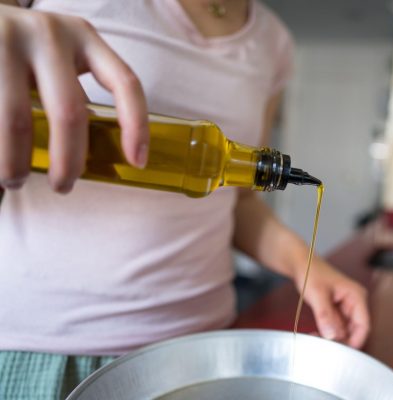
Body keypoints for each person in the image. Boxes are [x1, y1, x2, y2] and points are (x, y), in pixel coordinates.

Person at [0, 0, 370, 397]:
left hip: (206, 351)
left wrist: (307, 267)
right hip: (46, 349)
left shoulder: (273, 43)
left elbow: (239, 199)